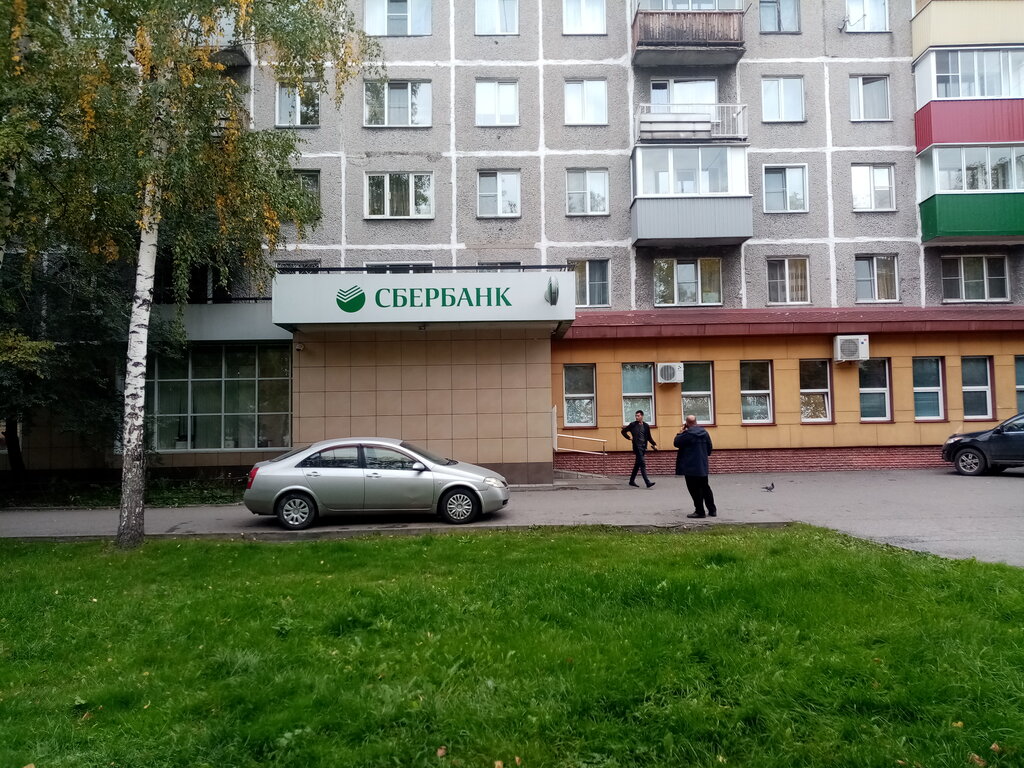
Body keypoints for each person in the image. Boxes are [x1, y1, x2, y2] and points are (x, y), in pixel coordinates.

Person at [674, 414, 716, 518]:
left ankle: (700, 511)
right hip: (702, 466)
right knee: (705, 488)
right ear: (696, 422)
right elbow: (709, 448)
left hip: (690, 467)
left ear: (687, 423)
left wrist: (680, 432)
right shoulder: (705, 433)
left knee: (694, 490)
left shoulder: (687, 434)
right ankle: (712, 510)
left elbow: (676, 443)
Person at [621, 410, 656, 488]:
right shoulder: (633, 425)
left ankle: (631, 481)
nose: (636, 417)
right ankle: (647, 482)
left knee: (637, 464)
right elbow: (623, 431)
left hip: (643, 447)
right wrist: (629, 437)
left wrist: (654, 444)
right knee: (642, 463)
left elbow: (649, 437)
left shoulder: (646, 426)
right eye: (636, 416)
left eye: (638, 416)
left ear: (642, 416)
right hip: (637, 447)